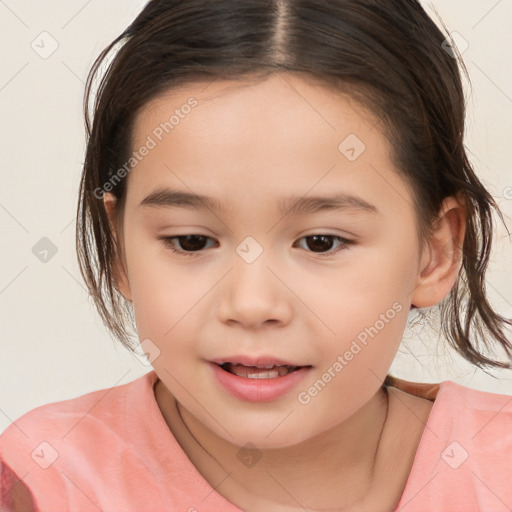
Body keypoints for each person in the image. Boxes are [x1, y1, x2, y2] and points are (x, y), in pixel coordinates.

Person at [1, 0, 511, 510]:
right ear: (121, 249)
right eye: (191, 241)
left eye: (320, 242)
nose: (250, 304)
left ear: (435, 251)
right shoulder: (41, 483)